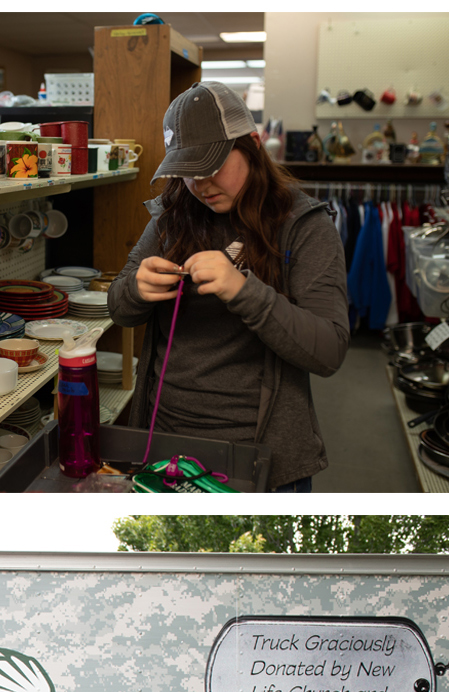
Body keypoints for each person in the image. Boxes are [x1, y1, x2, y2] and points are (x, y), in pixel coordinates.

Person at [107, 79, 349, 492]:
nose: (200, 185)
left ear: (252, 144)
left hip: (260, 459)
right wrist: (135, 288)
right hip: (165, 444)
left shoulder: (304, 227)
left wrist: (243, 291)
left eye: (213, 165)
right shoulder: (170, 218)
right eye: (187, 172)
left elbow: (328, 350)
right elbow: (120, 308)